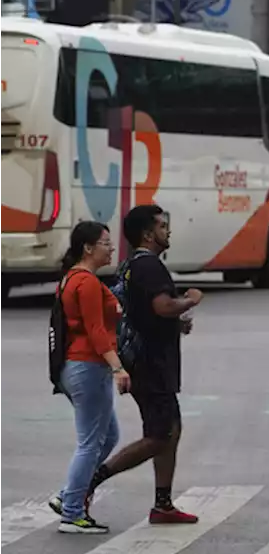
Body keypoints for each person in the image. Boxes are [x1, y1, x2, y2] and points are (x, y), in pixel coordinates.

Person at [88, 204, 201, 524]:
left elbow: (143, 312)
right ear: (149, 234)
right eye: (163, 226)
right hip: (150, 364)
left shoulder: (131, 265)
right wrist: (190, 300)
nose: (169, 231)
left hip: (145, 361)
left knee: (171, 430)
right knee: (160, 435)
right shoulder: (149, 266)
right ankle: (91, 480)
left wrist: (176, 323)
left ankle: (163, 504)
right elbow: (163, 306)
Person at [48, 221, 128, 534]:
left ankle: (70, 495)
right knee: (90, 443)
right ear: (88, 247)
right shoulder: (87, 283)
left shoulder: (71, 279)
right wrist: (118, 367)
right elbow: (96, 330)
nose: (111, 247)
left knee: (107, 437)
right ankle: (72, 513)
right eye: (106, 242)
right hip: (88, 366)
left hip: (74, 367)